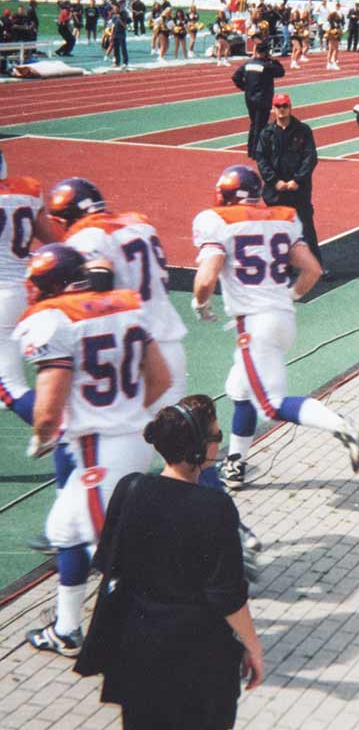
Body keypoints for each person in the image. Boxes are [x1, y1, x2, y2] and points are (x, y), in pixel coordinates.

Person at [18, 244, 172, 657]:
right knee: (64, 531)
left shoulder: (55, 320)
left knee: (115, 552)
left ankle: (168, 631)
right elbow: (160, 378)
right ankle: (67, 630)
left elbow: (49, 407)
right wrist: (124, 416)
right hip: (126, 439)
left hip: (100, 450)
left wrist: (43, 434)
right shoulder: (123, 305)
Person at [75, 395, 264, 728]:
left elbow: (108, 561)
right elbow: (228, 597)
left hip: (137, 657)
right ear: (196, 449)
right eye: (216, 437)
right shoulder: (215, 507)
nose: (219, 444)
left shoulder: (130, 489)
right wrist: (253, 646)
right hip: (197, 662)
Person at [191, 165, 359, 492]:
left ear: (224, 195)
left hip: (255, 327)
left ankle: (342, 423)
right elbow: (312, 270)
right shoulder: (282, 218)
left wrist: (200, 304)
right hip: (281, 320)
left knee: (269, 405)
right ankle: (236, 462)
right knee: (239, 390)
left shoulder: (216, 221)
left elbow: (205, 278)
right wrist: (289, 296)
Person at [46, 177, 187, 414]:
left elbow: (100, 282)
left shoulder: (87, 236)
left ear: (62, 219)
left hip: (130, 352)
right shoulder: (141, 227)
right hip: (169, 344)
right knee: (174, 441)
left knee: (114, 436)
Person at [0, 150, 60, 427]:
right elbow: (52, 241)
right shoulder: (25, 191)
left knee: (8, 385)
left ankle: (62, 436)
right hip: (29, 290)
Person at [254, 93, 326, 276]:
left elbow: (310, 158)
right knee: (278, 230)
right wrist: (274, 181)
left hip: (298, 190)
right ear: (273, 109)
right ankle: (282, 266)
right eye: (278, 106)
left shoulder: (303, 130)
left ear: (290, 107)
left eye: (285, 106)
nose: (282, 110)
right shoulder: (266, 133)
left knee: (306, 229)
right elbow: (261, 160)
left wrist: (297, 180)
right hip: (275, 192)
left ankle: (317, 267)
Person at [232, 43, 285, 159]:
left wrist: (245, 87)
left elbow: (235, 77)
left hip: (249, 97)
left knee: (253, 124)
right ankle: (257, 152)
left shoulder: (247, 64)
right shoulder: (266, 66)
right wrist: (274, 61)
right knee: (260, 125)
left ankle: (251, 150)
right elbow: (281, 72)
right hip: (263, 98)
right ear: (266, 52)